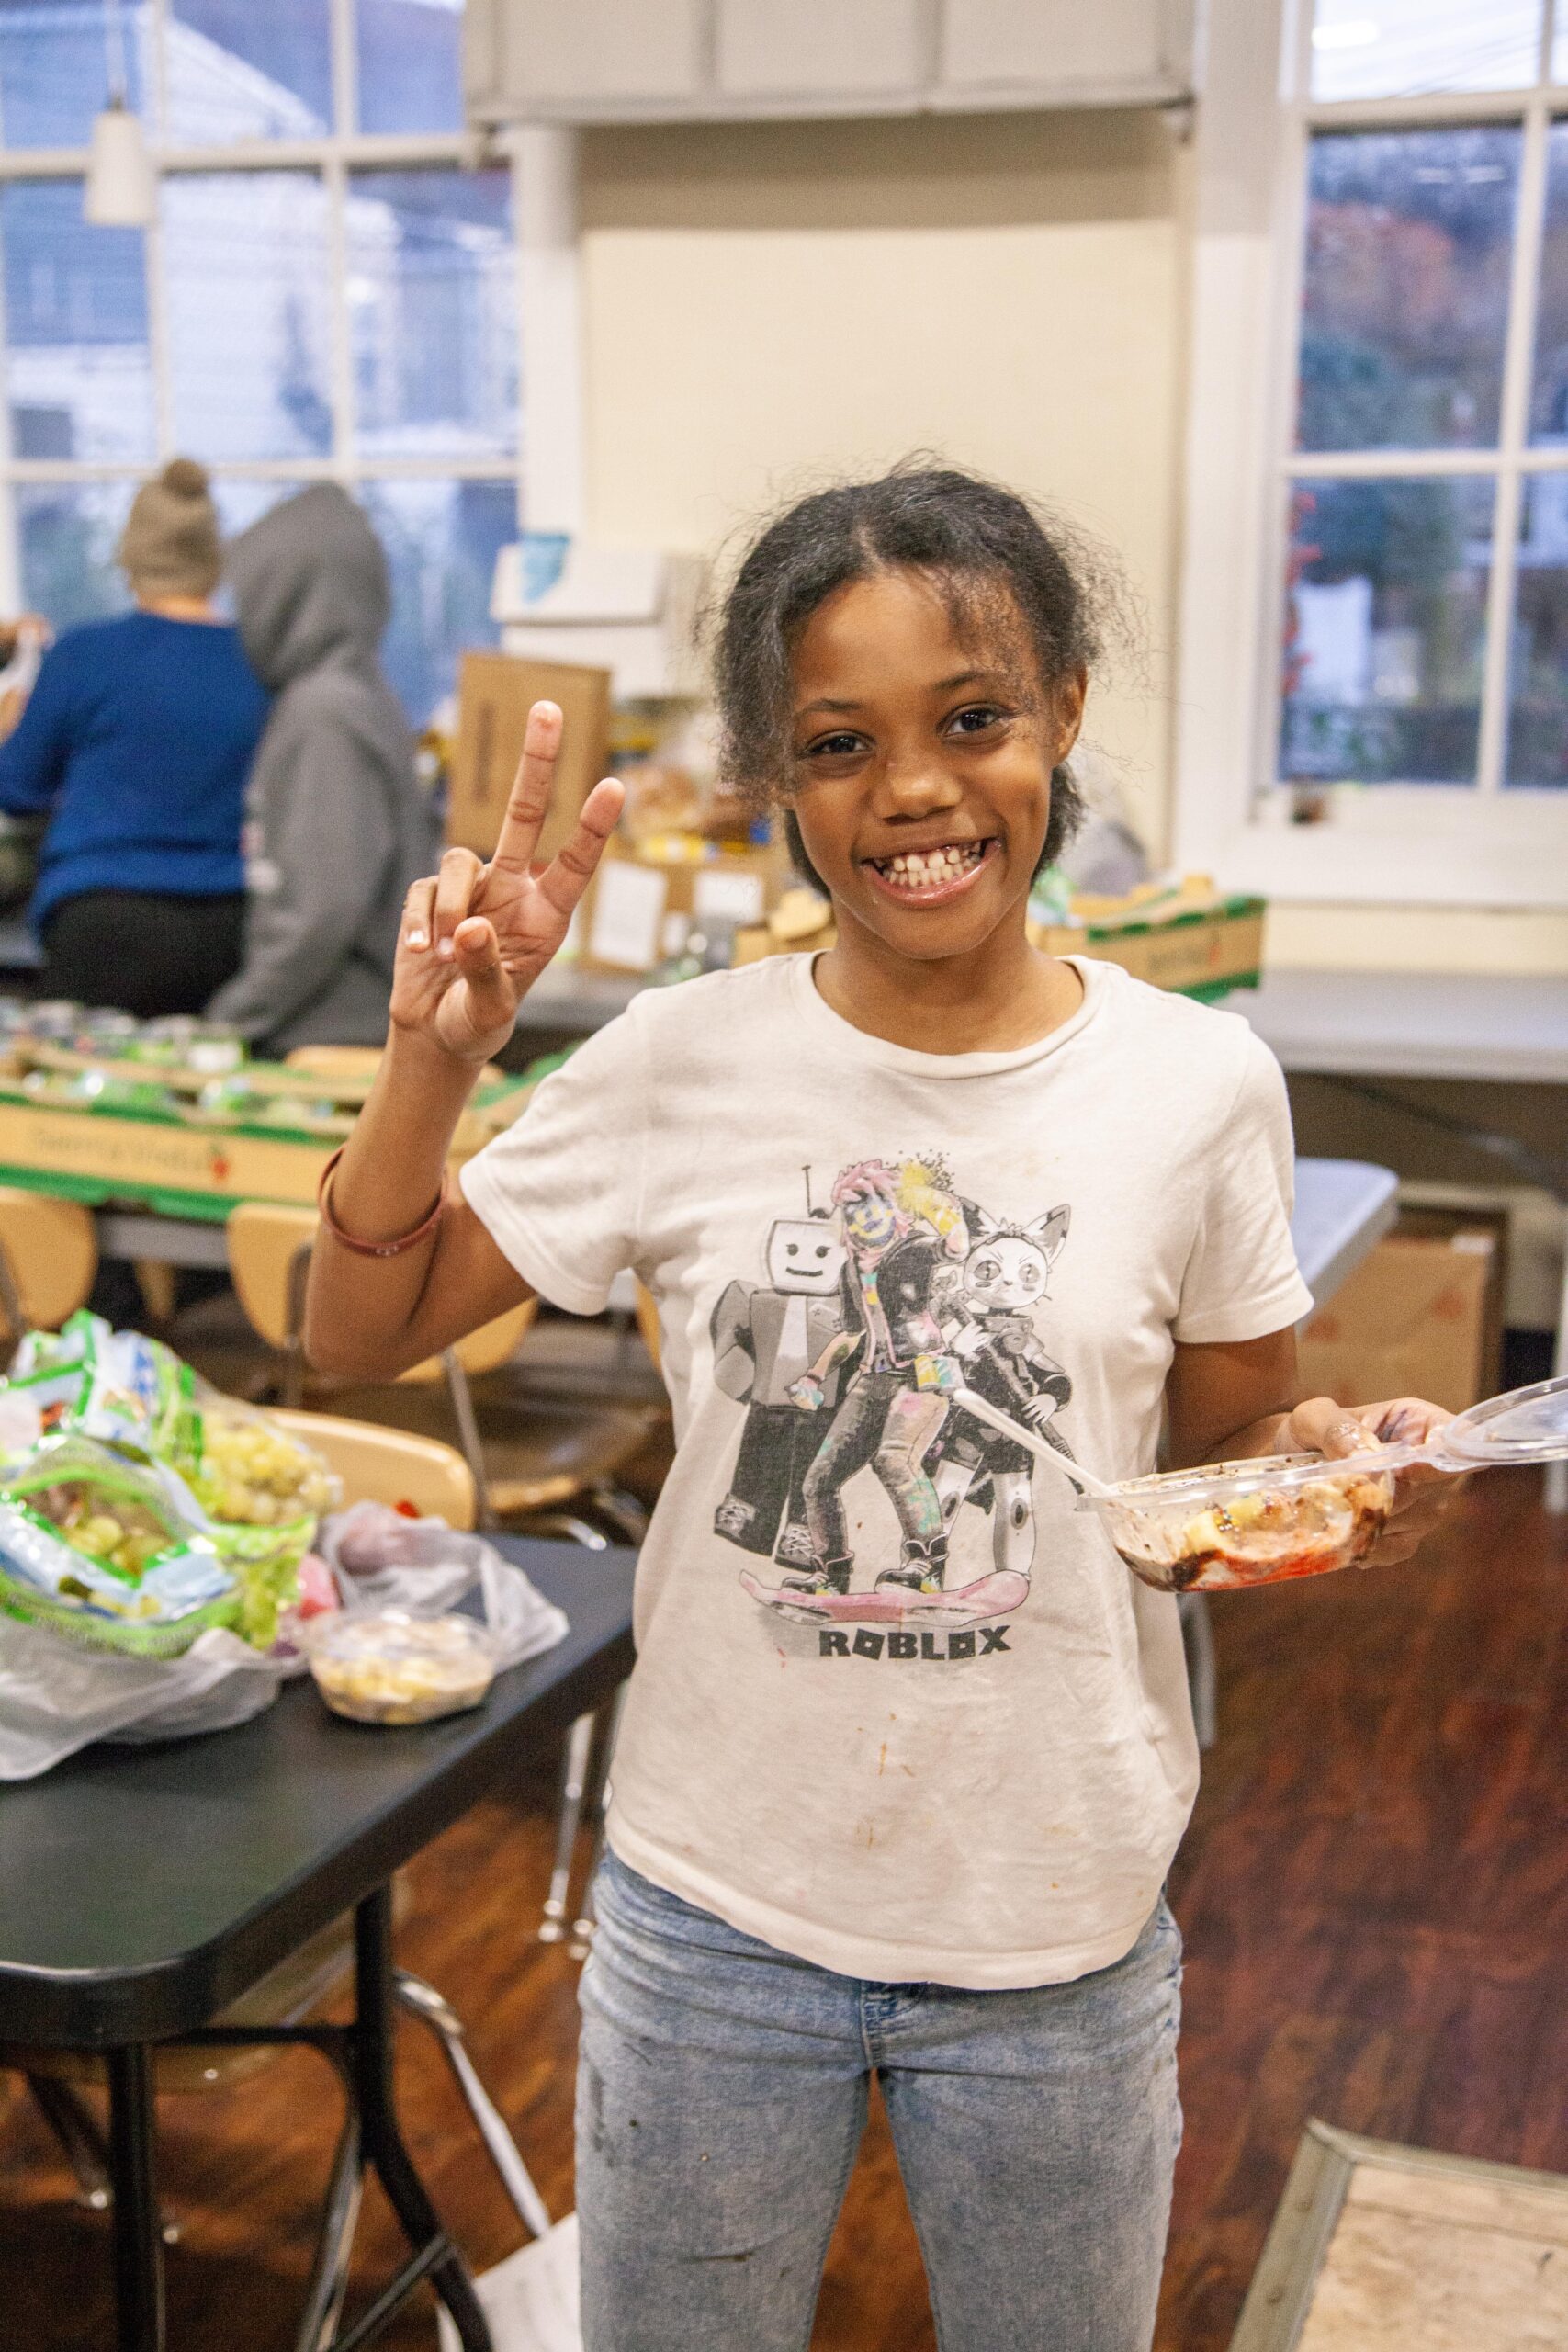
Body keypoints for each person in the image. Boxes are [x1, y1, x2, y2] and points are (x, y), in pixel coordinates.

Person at [304, 466, 1458, 2351]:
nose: (910, 790)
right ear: (776, 774)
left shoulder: (1195, 1084)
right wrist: (429, 1066)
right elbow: (361, 1330)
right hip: (711, 1913)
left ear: (1063, 709)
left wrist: (1319, 1474)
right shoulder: (681, 1057)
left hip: (1057, 1926)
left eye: (972, 718)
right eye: (838, 742)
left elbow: (1219, 1473)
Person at [0, 458, 267, 1014]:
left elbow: (16, 789)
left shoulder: (82, 655)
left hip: (100, 921)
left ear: (130, 558)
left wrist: (13, 717)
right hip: (231, 927)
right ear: (214, 562)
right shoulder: (262, 664)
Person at [206, 482, 436, 1057]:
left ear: (285, 597)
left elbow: (321, 907)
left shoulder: (322, 714)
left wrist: (229, 1020)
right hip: (355, 1025)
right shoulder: (361, 693)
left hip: (332, 1034)